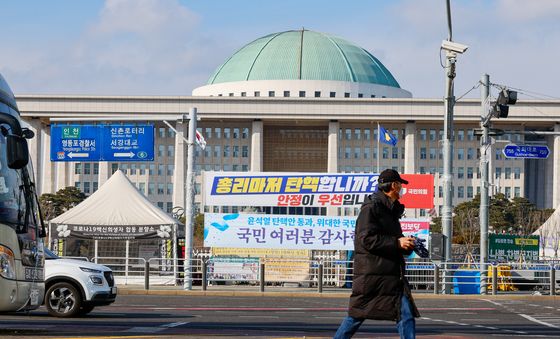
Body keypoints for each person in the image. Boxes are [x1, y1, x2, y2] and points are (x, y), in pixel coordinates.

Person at [334, 169, 420, 339]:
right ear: (394, 185)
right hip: (374, 277)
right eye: (400, 185)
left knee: (405, 315)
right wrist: (397, 242)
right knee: (356, 316)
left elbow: (391, 240)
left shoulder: (389, 210)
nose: (402, 189)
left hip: (390, 276)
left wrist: (406, 244)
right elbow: (366, 239)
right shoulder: (371, 208)